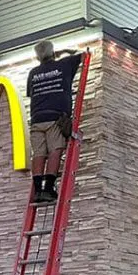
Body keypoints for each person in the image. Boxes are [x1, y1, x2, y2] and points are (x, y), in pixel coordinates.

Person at [26, 41, 83, 202]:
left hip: (37, 119)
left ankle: (38, 190)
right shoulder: (64, 64)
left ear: (37, 57)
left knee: (38, 154)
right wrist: (64, 51)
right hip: (55, 117)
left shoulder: (33, 73)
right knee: (55, 151)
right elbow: (83, 54)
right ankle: (49, 188)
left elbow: (31, 93)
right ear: (53, 53)